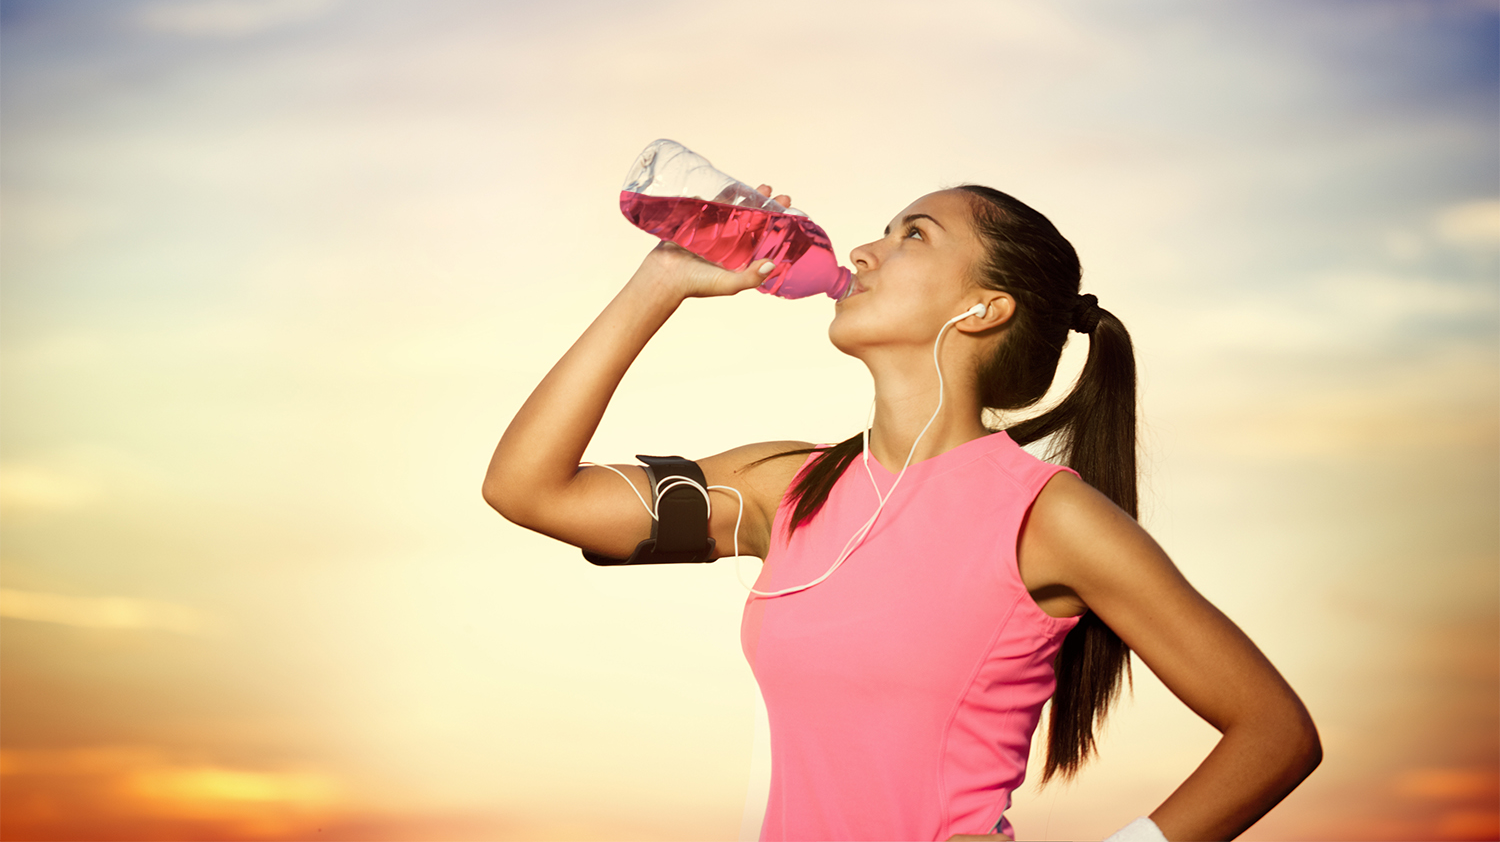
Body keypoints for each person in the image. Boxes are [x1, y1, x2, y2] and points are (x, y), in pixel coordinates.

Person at [483, 183, 1321, 842]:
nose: (862, 251)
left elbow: (1275, 733)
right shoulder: (785, 489)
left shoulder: (1045, 516)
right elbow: (530, 489)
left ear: (985, 308)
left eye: (913, 234)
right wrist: (661, 279)